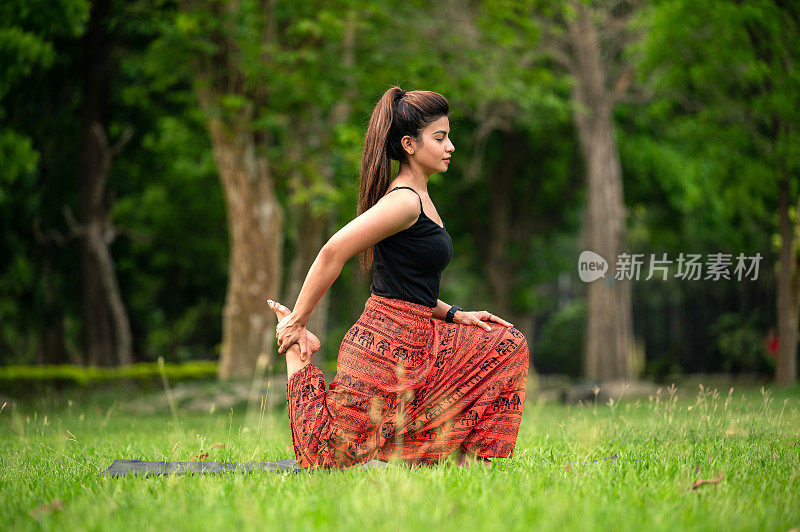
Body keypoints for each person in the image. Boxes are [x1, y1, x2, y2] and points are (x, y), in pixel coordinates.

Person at [266, 86, 530, 469]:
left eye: (448, 136)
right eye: (439, 138)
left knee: (504, 345)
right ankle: (298, 354)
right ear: (409, 143)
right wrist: (297, 321)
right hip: (384, 344)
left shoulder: (421, 199)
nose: (449, 146)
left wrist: (456, 315)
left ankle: (467, 464)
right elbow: (332, 252)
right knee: (326, 456)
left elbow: (407, 285)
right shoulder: (403, 200)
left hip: (419, 334)